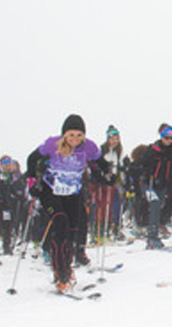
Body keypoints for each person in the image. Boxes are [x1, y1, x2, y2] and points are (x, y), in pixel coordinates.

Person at [25, 115, 110, 291]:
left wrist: (108, 174)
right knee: (60, 223)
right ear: (64, 134)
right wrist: (32, 182)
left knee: (71, 231)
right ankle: (60, 272)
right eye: (71, 135)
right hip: (50, 191)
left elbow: (101, 162)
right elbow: (32, 159)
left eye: (79, 135)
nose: (75, 139)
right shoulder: (52, 144)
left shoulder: (89, 147)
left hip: (72, 193)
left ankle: (67, 267)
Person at [140, 124, 172, 249]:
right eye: (166, 138)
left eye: (171, 138)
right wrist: (144, 180)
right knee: (154, 205)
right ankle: (152, 237)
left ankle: (154, 234)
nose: (169, 141)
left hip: (163, 184)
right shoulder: (153, 149)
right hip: (150, 183)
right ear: (161, 137)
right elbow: (143, 165)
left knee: (159, 208)